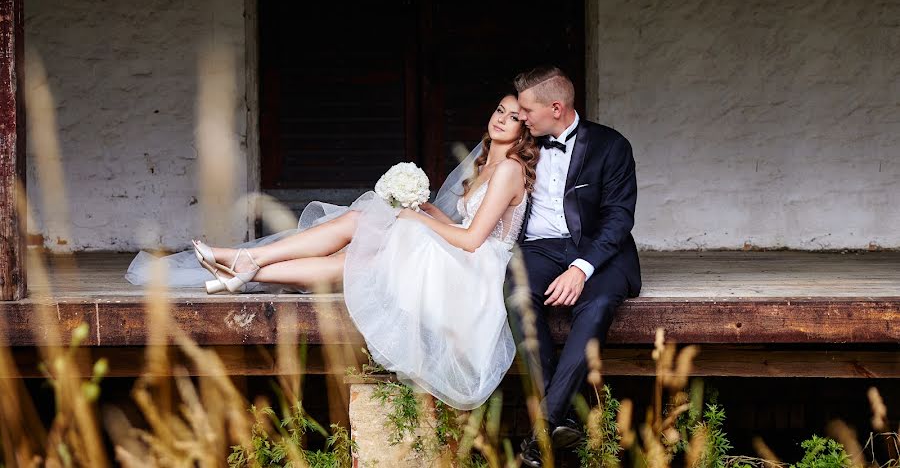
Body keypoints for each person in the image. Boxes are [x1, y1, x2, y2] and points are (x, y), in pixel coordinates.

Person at [126, 94, 539, 410]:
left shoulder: (508, 169)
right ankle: (248, 266)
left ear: (527, 130)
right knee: (352, 255)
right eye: (500, 111)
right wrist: (429, 211)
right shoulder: (487, 163)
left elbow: (473, 242)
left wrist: (419, 222)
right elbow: (464, 227)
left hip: (471, 274)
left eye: (514, 118)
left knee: (362, 225)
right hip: (456, 255)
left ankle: (246, 261)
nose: (502, 120)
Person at [509, 65, 641, 468]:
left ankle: (544, 424)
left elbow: (619, 218)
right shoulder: (522, 142)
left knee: (596, 309)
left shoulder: (611, 146)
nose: (521, 117)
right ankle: (561, 415)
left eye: (527, 111)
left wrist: (581, 268)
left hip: (600, 250)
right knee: (517, 296)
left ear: (555, 107)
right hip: (540, 248)